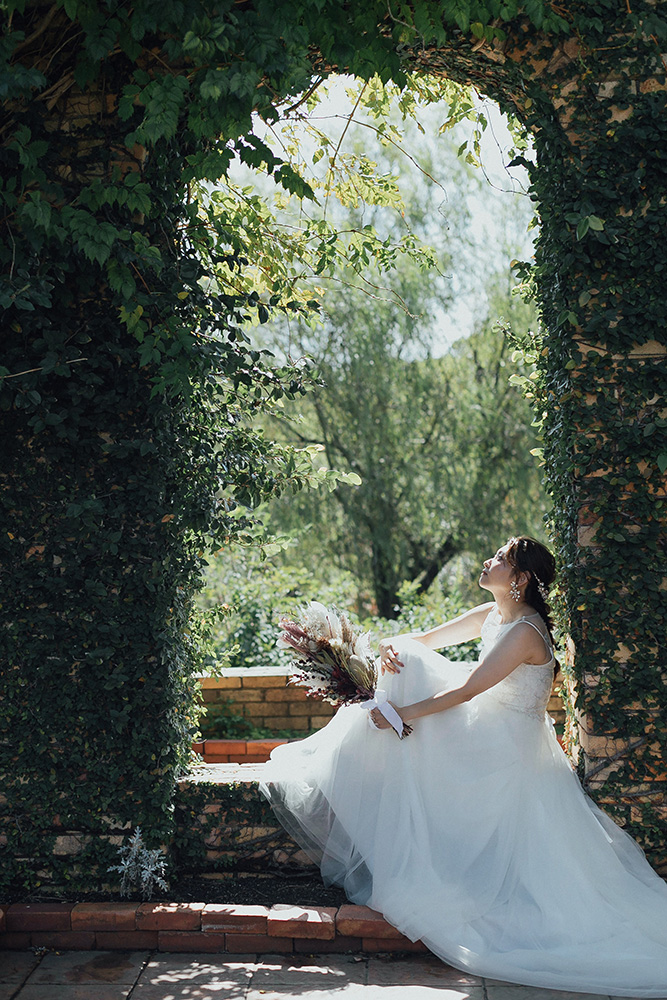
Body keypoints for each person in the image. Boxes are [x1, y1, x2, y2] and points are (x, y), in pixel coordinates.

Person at [259, 536, 667, 997]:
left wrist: (400, 715)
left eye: (501, 560)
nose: (488, 561)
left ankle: (355, 772)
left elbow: (469, 690)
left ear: (520, 580)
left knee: (406, 698)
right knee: (407, 659)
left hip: (506, 745)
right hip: (485, 727)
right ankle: (356, 766)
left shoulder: (526, 633)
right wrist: (390, 648)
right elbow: (424, 639)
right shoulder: (493, 615)